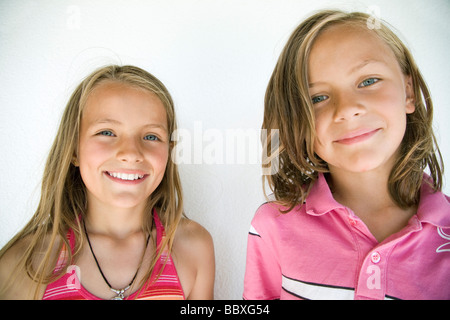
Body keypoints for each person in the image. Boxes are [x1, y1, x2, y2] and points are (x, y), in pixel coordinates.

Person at [244, 10, 449, 300]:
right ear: (296, 120)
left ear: (409, 92)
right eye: (317, 98)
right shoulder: (272, 226)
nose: (346, 109)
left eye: (368, 81)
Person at [0, 65, 215, 300]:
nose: (131, 152)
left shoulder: (193, 247)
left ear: (169, 152)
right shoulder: (24, 263)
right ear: (73, 149)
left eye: (151, 136)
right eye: (107, 132)